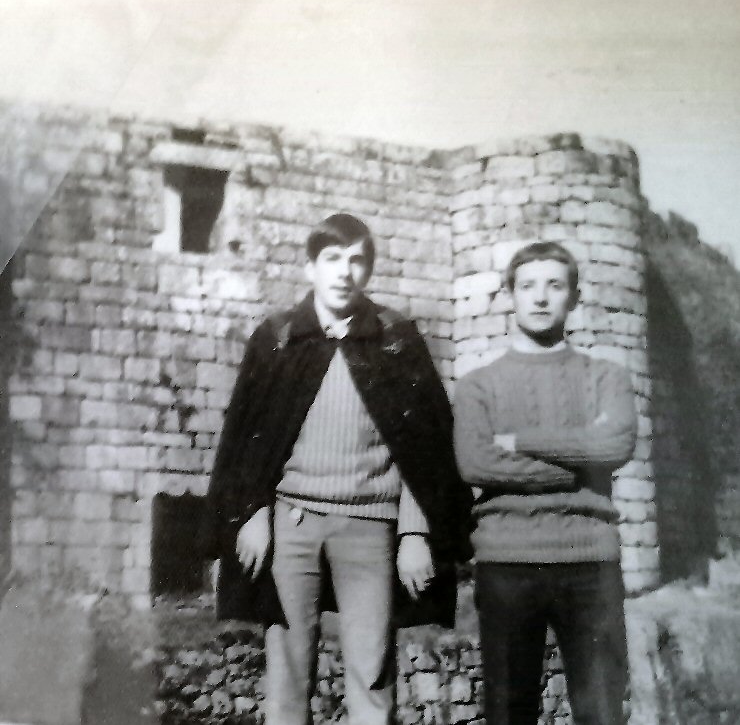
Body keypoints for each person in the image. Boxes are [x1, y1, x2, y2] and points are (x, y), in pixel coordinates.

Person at [203, 213, 471, 725]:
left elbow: (426, 447)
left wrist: (415, 531)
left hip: (372, 526)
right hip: (293, 524)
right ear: (311, 267)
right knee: (288, 678)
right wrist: (251, 512)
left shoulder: (395, 339)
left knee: (372, 676)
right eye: (332, 259)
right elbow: (247, 437)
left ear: (369, 270)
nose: (344, 272)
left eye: (356, 260)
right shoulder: (278, 337)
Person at [453, 241, 637, 725]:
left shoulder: (607, 377)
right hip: (507, 562)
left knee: (602, 714)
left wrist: (518, 441)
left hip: (591, 562)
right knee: (508, 714)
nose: (540, 298)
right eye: (527, 286)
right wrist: (580, 461)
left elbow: (615, 444)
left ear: (574, 297)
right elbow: (475, 462)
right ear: (510, 295)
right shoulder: (477, 385)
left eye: (554, 285)